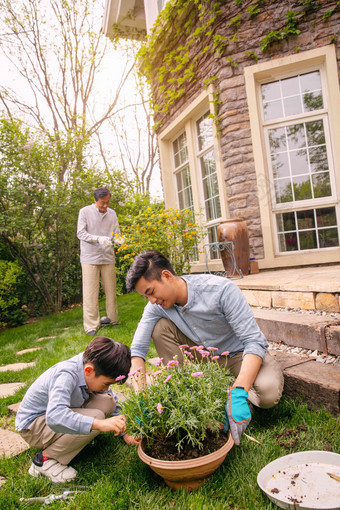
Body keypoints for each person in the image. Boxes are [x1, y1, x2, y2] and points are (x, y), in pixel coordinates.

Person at [125, 250, 284, 445]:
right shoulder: (155, 308)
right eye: (146, 297)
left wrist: (240, 391)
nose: (151, 301)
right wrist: (143, 399)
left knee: (268, 393)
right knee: (160, 329)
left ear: (166, 276)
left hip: (239, 355)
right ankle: (183, 390)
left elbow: (254, 341)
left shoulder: (220, 290)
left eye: (151, 292)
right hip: (206, 358)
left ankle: (235, 393)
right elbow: (138, 351)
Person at [15, 336, 140, 483]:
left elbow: (110, 399)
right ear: (88, 370)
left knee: (108, 401)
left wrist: (125, 434)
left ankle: (74, 438)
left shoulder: (93, 364)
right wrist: (99, 424)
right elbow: (55, 416)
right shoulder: (66, 375)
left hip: (56, 414)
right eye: (106, 383)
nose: (107, 388)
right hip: (34, 427)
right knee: (97, 418)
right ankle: (45, 460)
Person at [77, 186, 124, 336]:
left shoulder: (112, 214)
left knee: (111, 290)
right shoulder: (84, 212)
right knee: (91, 292)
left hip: (108, 256)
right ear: (95, 200)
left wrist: (119, 240)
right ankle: (91, 326)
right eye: (102, 203)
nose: (105, 206)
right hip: (89, 257)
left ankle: (113, 319)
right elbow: (81, 233)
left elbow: (116, 234)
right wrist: (97, 239)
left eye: (107, 202)